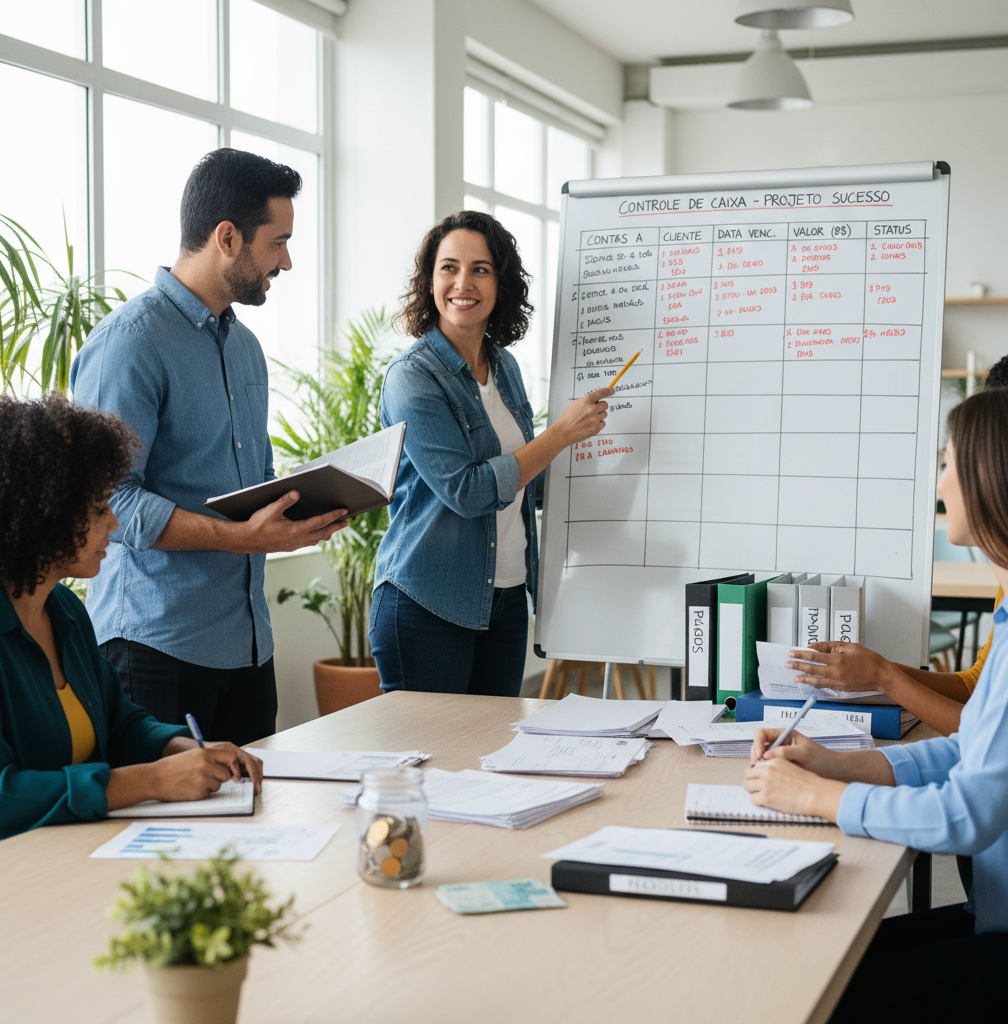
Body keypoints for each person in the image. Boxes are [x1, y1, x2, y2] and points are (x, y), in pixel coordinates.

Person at [744, 385, 1008, 1021]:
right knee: (816, 958)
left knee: (818, 988)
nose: (942, 483)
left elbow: (969, 815)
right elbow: (976, 744)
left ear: (992, 477)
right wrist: (838, 765)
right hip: (1000, 919)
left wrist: (814, 798)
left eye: (949, 463)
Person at [70, 149, 348, 746]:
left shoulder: (244, 347)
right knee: (166, 839)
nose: (288, 261)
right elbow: (107, 501)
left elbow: (250, 482)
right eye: (278, 242)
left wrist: (298, 514)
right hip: (154, 647)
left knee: (252, 829)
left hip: (247, 646)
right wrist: (242, 538)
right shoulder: (129, 344)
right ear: (227, 237)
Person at [369, 210, 612, 696]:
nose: (464, 283)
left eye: (481, 269)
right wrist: (559, 436)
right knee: (433, 766)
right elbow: (468, 491)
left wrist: (600, 463)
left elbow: (526, 482)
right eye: (449, 268)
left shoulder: (505, 368)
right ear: (430, 280)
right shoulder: (412, 377)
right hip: (427, 602)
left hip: (504, 598)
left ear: (501, 284)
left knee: (491, 762)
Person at [0, 394, 263, 840]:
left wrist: (183, 747)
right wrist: (152, 780)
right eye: (100, 508)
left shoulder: (65, 612)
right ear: (45, 513)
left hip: (79, 851)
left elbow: (121, 724)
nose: (114, 525)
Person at [784, 348, 1008, 737]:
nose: (940, 484)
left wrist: (884, 678)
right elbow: (978, 689)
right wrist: (880, 670)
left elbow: (986, 740)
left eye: (952, 462)